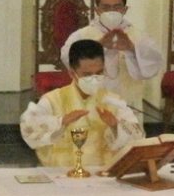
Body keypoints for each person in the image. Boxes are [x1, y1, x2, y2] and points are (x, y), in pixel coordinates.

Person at [21, 39, 144, 167]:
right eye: (87, 75)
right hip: (62, 174)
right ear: (72, 73)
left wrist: (115, 126)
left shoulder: (113, 101)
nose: (94, 78)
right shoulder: (53, 99)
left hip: (102, 176)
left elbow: (137, 138)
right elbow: (28, 128)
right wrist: (61, 121)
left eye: (99, 73)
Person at [60, 0, 164, 114]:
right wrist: (98, 45)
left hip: (128, 105)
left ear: (125, 9)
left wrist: (132, 48)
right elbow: (66, 58)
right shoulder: (82, 35)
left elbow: (155, 63)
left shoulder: (138, 36)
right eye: (106, 7)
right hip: (92, 105)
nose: (111, 11)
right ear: (97, 10)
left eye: (117, 7)